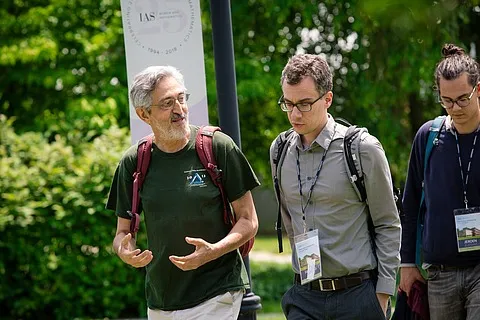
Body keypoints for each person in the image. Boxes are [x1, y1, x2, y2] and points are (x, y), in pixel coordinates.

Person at [106, 65, 260, 320]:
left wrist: (214, 250)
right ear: (144, 114)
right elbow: (123, 233)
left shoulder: (218, 147)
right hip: (161, 299)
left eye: (181, 98)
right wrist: (125, 251)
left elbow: (249, 220)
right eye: (167, 103)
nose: (179, 110)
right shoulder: (134, 161)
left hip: (217, 291)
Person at [269, 53, 401, 319]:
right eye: (288, 103)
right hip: (305, 295)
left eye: (305, 103)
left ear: (327, 99)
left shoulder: (362, 149)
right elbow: (291, 221)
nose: (295, 114)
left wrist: (383, 294)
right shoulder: (279, 150)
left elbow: (388, 224)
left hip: (358, 296)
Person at [400, 43, 480, 320]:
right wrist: (407, 263)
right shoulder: (428, 136)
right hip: (439, 273)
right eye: (446, 101)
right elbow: (409, 204)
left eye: (462, 99)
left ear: (478, 90)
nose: (454, 108)